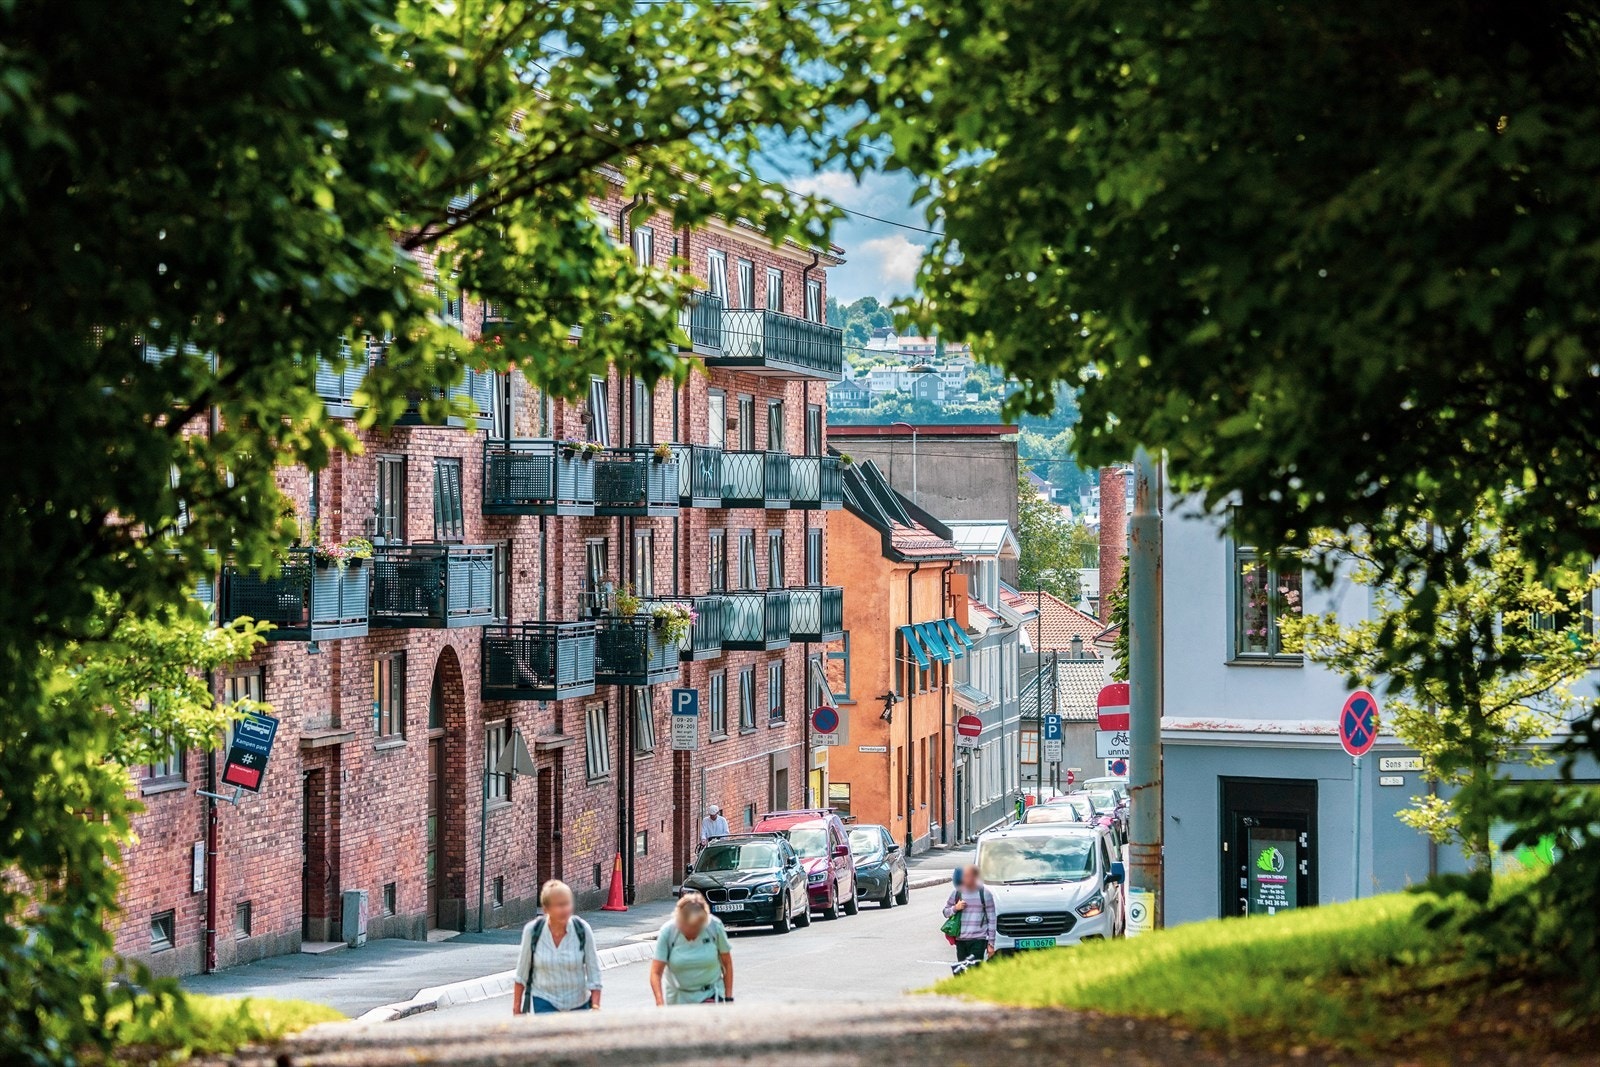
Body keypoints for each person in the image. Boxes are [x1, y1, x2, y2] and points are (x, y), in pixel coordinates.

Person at [512, 880, 603, 1015]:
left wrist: (595, 1006)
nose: (565, 909)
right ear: (546, 909)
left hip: (578, 1003)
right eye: (560, 905)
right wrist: (517, 1008)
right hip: (545, 1001)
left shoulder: (582, 930)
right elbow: (521, 973)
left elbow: (594, 972)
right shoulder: (533, 931)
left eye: (568, 903)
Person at [649, 892, 734, 1005]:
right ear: (680, 921)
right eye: (688, 928)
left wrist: (728, 998)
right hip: (678, 998)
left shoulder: (714, 927)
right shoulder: (668, 932)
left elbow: (727, 963)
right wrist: (660, 1003)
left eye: (697, 928)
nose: (693, 933)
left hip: (710, 995)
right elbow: (655, 972)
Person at [942, 865, 997, 968]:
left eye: (969, 876)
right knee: (962, 971)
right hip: (961, 940)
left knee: (975, 971)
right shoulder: (957, 893)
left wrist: (991, 944)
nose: (966, 879)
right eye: (965, 876)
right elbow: (945, 912)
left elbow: (992, 920)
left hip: (978, 940)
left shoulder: (985, 894)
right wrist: (955, 908)